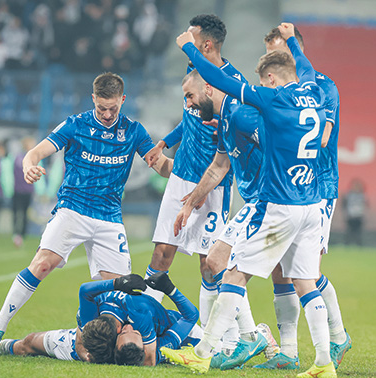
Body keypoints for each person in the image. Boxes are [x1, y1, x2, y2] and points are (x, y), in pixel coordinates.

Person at [162, 23, 336, 378]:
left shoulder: (272, 99)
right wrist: (291, 40)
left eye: (265, 80)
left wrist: (189, 50)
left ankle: (204, 351)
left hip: (278, 204)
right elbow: (302, 64)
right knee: (305, 282)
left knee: (235, 272)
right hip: (310, 204)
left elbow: (223, 82)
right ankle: (323, 362)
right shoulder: (313, 92)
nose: (263, 86)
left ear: (272, 78)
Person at [0, 72, 172, 357]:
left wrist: (190, 173)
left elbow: (162, 166)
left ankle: (102, 349)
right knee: (42, 264)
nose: (106, 114)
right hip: (73, 209)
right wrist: (29, 165)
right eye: (101, 107)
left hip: (109, 217)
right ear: (93, 99)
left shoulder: (134, 131)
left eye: (112, 108)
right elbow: (36, 152)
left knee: (117, 294)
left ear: (122, 100)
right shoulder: (75, 125)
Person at [255, 26, 351, 371]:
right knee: (281, 269)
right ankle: (289, 350)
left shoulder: (322, 87)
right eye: (268, 52)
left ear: (296, 52)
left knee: (305, 272)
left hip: (317, 186)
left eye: (278, 50)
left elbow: (322, 136)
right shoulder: (279, 90)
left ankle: (338, 336)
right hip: (288, 190)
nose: (270, 58)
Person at [143, 14, 246, 335]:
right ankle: (142, 321)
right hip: (181, 177)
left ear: (206, 44)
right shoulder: (194, 74)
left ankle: (221, 335)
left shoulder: (233, 84)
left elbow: (230, 143)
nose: (184, 39)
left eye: (191, 36)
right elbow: (188, 117)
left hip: (214, 184)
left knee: (209, 264)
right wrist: (165, 142)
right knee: (161, 253)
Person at [172, 69, 280, 369]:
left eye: (191, 96)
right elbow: (218, 167)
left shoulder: (243, 115)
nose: (190, 104)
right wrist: (189, 204)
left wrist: (279, 191)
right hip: (259, 200)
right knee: (220, 264)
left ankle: (236, 341)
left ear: (208, 87)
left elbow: (276, 149)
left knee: (218, 261)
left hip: (267, 200)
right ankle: (257, 340)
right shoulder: (226, 120)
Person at [0, 273, 201, 366]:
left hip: (164, 330)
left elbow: (147, 360)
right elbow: (84, 291)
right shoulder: (95, 321)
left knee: (206, 344)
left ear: (118, 335)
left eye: (129, 333)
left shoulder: (139, 320)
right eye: (131, 331)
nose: (130, 329)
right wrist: (116, 283)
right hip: (99, 342)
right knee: (31, 341)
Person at [11, 137, 44, 248]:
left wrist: (39, 190)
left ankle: (22, 235)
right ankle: (16, 233)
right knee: (17, 212)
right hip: (17, 190)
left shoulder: (34, 159)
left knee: (24, 213)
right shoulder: (18, 158)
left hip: (28, 190)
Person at [342, 179, 367, 245]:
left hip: (359, 216)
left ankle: (359, 244)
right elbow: (344, 204)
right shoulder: (348, 195)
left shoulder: (362, 195)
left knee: (358, 232)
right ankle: (347, 244)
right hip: (351, 216)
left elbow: (366, 204)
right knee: (349, 231)